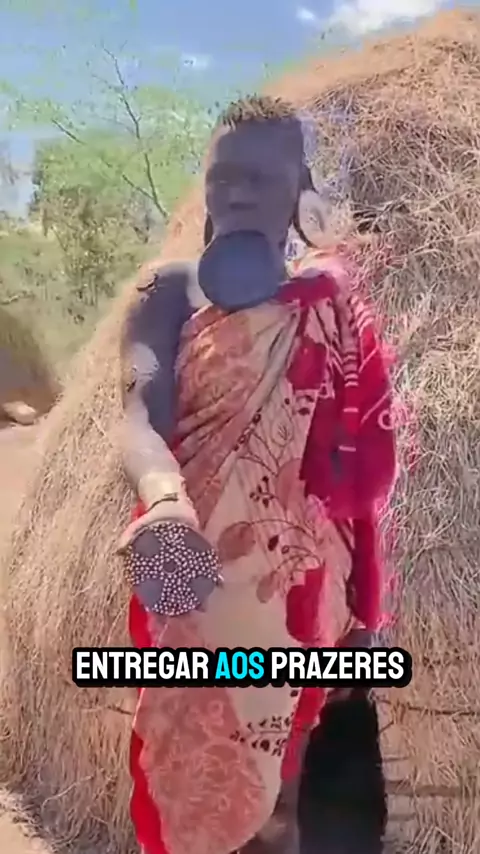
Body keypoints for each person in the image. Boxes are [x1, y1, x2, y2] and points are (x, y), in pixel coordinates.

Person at [118, 95, 396, 854]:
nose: (236, 194)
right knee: (194, 780)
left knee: (285, 801)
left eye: (260, 179)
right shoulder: (168, 290)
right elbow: (137, 413)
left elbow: (358, 474)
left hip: (303, 594)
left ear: (298, 187)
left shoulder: (331, 302)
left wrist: (364, 605)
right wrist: (164, 501)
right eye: (222, 177)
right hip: (188, 575)